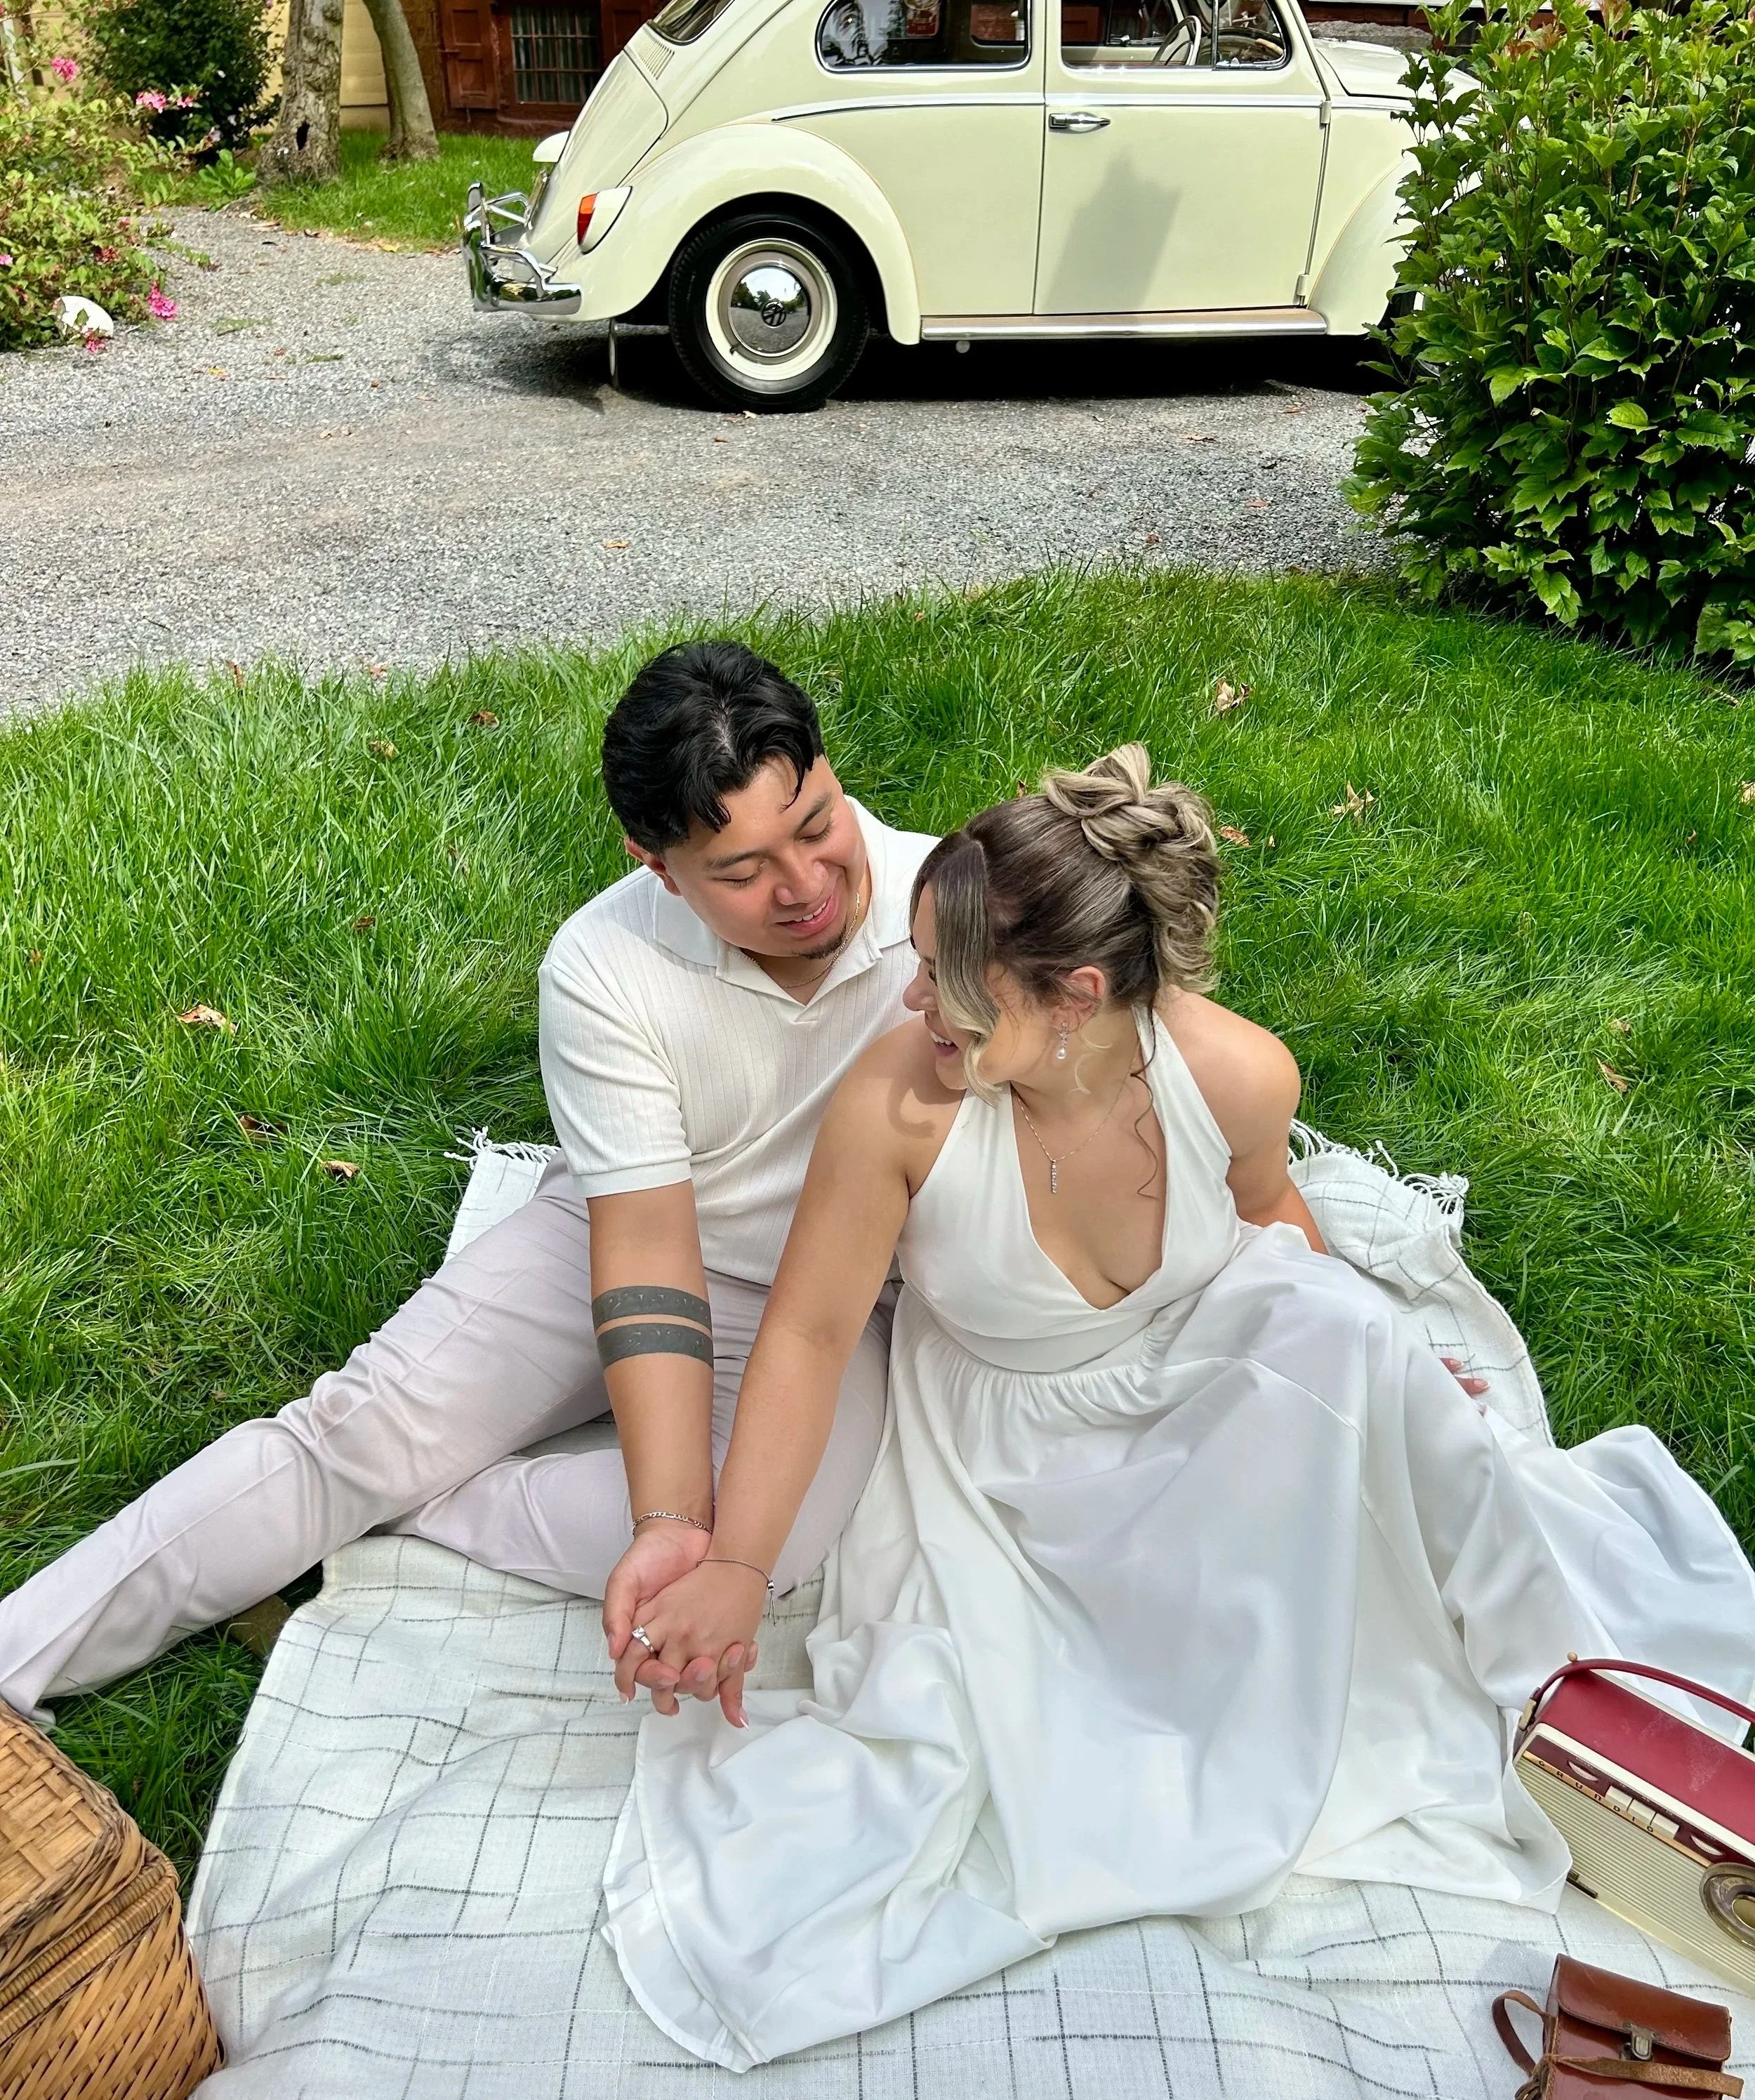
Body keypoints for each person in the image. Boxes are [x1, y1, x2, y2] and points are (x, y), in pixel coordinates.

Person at [600, 746, 1755, 2074]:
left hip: (1209, 1391)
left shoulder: (1237, 1075)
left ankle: (1568, 1712)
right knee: (1094, 1744)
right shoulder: (902, 1102)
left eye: (945, 978)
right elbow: (806, 1332)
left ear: (1079, 996)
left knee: (1348, 1326)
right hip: (1016, 1462)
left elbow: (1269, 1218)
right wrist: (738, 1564)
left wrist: (1389, 1395)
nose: (913, 997)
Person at [0, 642, 937, 1719]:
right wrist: (662, 1508)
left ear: (828, 772)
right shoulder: (601, 966)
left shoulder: (949, 904)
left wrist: (688, 1529)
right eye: (742, 871)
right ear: (657, 866)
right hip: (620, 1235)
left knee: (772, 1539)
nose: (809, 887)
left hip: (824, 1301)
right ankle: (16, 1664)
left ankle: (425, 1508)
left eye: (816, 824)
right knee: (350, 1436)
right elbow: (645, 1250)